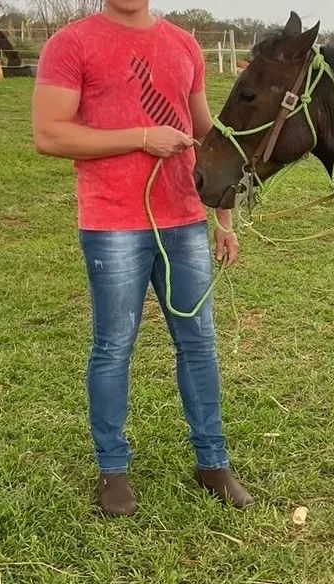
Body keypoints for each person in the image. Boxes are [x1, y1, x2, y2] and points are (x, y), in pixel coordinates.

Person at [32, 0, 253, 517]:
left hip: (181, 221)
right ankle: (113, 470)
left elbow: (206, 138)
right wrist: (141, 137)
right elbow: (49, 134)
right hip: (112, 223)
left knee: (198, 343)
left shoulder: (183, 44)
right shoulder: (71, 43)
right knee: (113, 347)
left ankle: (212, 462)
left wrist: (222, 217)